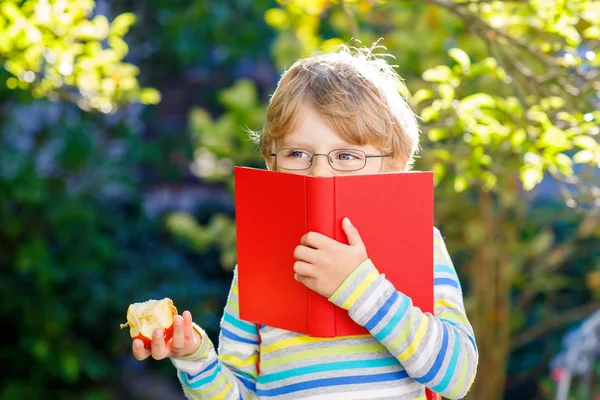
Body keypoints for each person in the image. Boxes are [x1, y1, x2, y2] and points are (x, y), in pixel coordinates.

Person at [131, 44, 479, 399]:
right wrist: (196, 360)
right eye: (297, 153)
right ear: (272, 163)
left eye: (346, 155)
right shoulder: (261, 261)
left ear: (393, 165)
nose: (320, 172)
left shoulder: (417, 241)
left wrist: (359, 287)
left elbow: (457, 376)